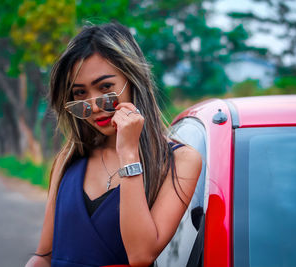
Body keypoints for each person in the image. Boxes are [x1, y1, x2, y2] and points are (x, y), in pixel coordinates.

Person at [25, 22, 202, 267]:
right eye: (80, 94)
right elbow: (43, 256)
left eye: (106, 88)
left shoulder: (179, 161)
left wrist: (128, 153)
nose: (95, 106)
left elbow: (141, 255)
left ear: (133, 81)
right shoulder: (69, 160)